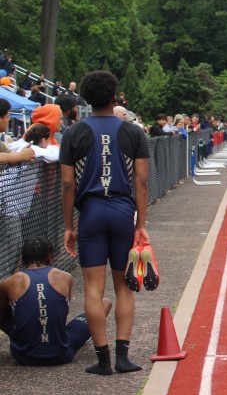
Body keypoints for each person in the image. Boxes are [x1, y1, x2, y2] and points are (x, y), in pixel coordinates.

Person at [59, 70, 150, 374]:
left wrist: (69, 226)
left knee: (93, 289)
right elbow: (141, 181)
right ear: (114, 97)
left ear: (86, 99)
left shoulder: (74, 133)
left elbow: (68, 184)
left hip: (91, 213)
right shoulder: (133, 132)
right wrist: (140, 224)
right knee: (124, 287)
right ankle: (123, 356)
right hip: (123, 212)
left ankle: (103, 360)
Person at [0, 238, 112, 366]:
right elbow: (61, 311)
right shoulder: (65, 277)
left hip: (23, 356)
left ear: (23, 258)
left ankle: (24, 339)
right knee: (105, 303)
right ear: (49, 256)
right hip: (61, 354)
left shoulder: (10, 281)